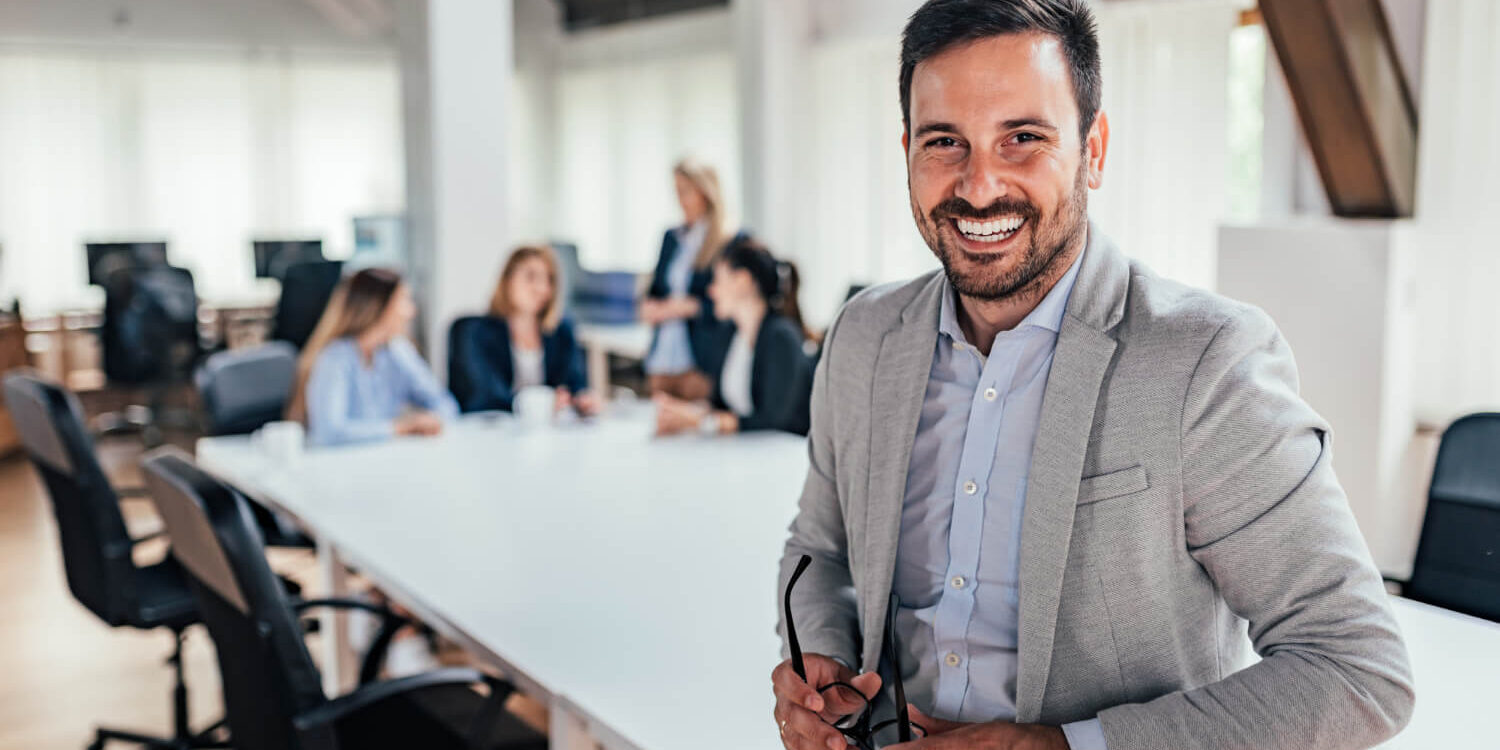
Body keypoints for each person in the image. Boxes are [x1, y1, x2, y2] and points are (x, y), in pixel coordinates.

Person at [771, 2, 1413, 750]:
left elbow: (1357, 668)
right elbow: (820, 550)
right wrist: (823, 658)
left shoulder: (1206, 362)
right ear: (908, 150)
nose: (979, 186)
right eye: (945, 141)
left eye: (1023, 138)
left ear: (1093, 150)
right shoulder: (864, 336)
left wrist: (1068, 747)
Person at [654, 238, 812, 437]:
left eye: (717, 280)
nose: (711, 291)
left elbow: (774, 421)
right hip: (744, 449)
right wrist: (684, 413)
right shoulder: (730, 335)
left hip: (784, 449)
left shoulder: (781, 337)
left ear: (742, 281)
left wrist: (702, 422)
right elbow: (720, 405)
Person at [286, 267, 458, 446]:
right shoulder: (335, 358)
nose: (412, 311)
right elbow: (330, 433)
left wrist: (431, 419)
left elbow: (445, 403)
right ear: (379, 306)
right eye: (404, 300)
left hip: (382, 454)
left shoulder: (398, 351)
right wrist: (400, 428)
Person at [448, 245, 599, 415]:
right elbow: (482, 395)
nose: (542, 288)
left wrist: (582, 400)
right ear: (508, 280)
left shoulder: (560, 332)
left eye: (549, 280)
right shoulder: (472, 332)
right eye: (531, 277)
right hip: (489, 426)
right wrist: (543, 403)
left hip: (546, 428)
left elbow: (574, 384)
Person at [639, 158, 739, 401]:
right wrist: (649, 306)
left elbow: (731, 305)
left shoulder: (727, 241)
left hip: (699, 362)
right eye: (676, 191)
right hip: (662, 359)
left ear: (705, 193)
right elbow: (656, 289)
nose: (680, 199)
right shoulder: (671, 238)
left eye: (685, 191)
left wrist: (687, 307)